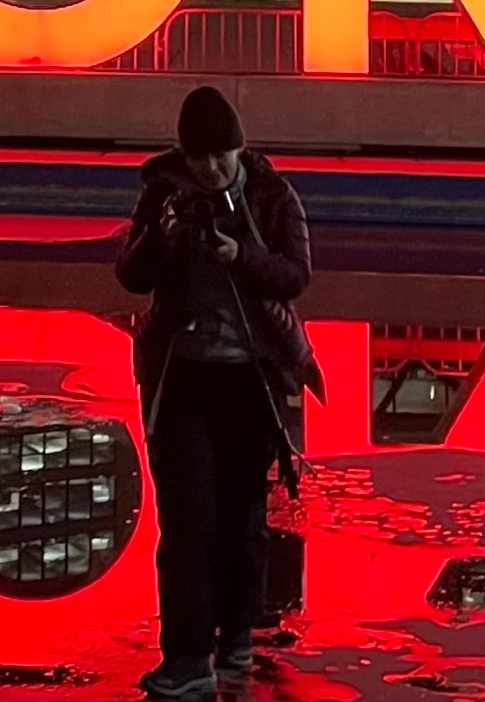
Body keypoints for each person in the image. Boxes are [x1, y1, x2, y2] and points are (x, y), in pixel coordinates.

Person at [116, 85, 317, 699]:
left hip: (249, 376)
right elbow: (131, 274)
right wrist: (163, 236)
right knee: (185, 520)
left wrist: (241, 256)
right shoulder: (163, 196)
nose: (211, 169)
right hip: (184, 374)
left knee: (243, 517)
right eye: (200, 158)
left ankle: (235, 638)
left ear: (240, 147)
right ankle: (185, 657)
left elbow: (296, 275)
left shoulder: (271, 194)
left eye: (221, 157)